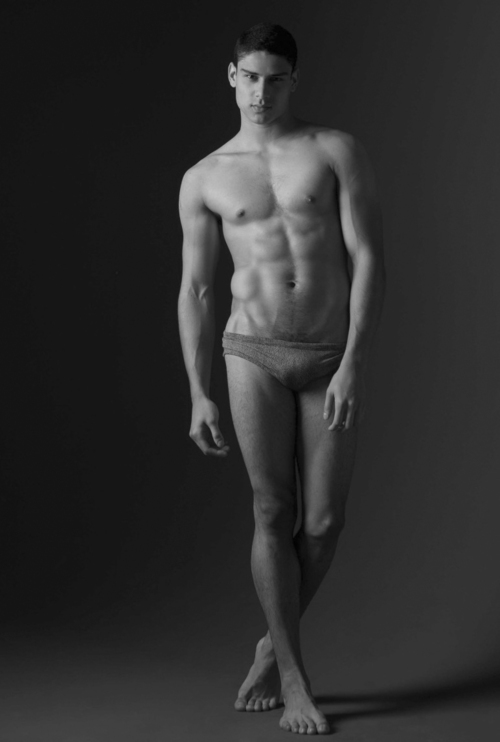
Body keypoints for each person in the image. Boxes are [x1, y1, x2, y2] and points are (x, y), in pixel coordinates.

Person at [177, 21, 385, 736]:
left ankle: (271, 643)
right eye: (250, 78)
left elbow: (369, 258)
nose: (261, 92)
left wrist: (354, 361)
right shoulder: (204, 176)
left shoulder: (335, 151)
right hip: (251, 351)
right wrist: (198, 390)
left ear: (293, 80)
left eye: (275, 79)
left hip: (328, 354)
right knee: (272, 511)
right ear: (231, 77)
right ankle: (294, 678)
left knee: (323, 523)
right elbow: (198, 289)